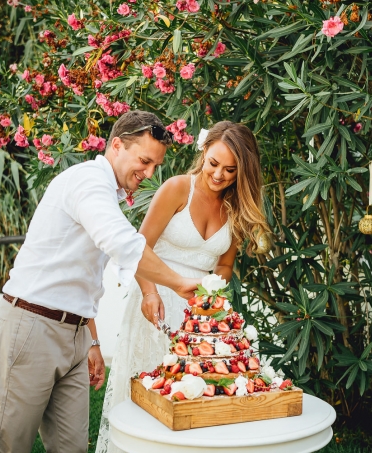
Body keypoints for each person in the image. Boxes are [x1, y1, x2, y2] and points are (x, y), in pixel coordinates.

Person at [0, 111, 201, 453]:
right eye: (145, 161)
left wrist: (91, 341)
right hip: (30, 328)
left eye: (155, 166)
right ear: (117, 145)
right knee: (9, 447)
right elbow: (122, 243)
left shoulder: (107, 194)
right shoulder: (88, 181)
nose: (149, 174)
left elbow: (84, 278)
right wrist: (177, 282)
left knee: (72, 448)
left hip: (75, 335)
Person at [95, 121, 270, 453]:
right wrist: (150, 293)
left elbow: (224, 265)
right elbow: (139, 247)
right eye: (213, 163)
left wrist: (211, 299)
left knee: (193, 399)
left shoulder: (235, 209)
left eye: (230, 170)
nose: (218, 175)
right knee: (152, 397)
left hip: (199, 314)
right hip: (157, 300)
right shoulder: (177, 188)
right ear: (203, 152)